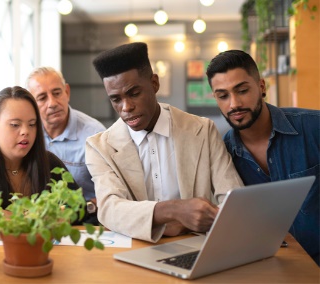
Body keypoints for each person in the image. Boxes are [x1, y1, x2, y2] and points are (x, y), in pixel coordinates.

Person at [86, 42, 244, 242]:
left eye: (134, 93)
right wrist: (174, 210)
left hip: (195, 248)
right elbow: (109, 210)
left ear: (154, 84)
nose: (126, 107)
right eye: (116, 99)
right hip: (134, 254)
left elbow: (233, 200)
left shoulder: (203, 130)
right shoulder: (99, 147)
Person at [206, 49, 320, 265]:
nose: (234, 104)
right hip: (272, 270)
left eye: (242, 90)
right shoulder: (222, 156)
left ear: (261, 86)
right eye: (223, 95)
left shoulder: (314, 127)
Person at [0, 86, 80, 236]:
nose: (25, 131)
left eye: (32, 124)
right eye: (15, 125)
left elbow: (77, 207)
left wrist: (4, 216)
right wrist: (35, 219)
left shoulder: (49, 163)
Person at [26, 67, 106, 223]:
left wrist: (84, 210)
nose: (52, 103)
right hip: (37, 220)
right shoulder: (27, 133)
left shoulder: (95, 135)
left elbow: (114, 191)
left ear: (67, 92)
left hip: (86, 218)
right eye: (42, 98)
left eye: (57, 93)